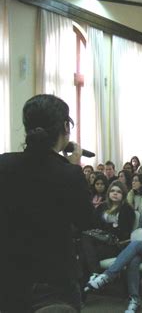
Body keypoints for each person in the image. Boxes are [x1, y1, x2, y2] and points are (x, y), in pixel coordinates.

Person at [0, 94, 94, 311]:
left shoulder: (4, 164)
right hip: (54, 280)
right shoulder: (68, 174)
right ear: (65, 127)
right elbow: (86, 221)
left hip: (9, 276)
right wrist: (71, 167)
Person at [85, 184, 142, 312]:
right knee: (134, 259)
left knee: (136, 245)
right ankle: (134, 300)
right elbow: (140, 229)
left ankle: (107, 276)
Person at [80, 181, 135, 287]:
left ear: (123, 194)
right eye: (112, 191)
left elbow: (124, 232)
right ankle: (93, 277)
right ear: (108, 193)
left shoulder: (127, 209)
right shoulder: (103, 206)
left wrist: (105, 228)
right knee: (85, 246)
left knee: (84, 254)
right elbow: (94, 225)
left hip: (115, 245)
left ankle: (84, 290)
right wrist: (112, 226)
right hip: (98, 243)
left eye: (118, 192)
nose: (115, 193)